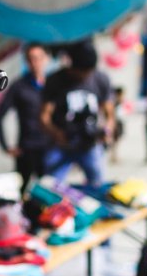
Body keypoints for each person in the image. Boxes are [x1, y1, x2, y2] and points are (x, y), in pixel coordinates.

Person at [40, 39, 114, 186]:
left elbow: (109, 114)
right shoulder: (55, 80)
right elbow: (44, 116)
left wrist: (107, 131)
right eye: (82, 71)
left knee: (97, 185)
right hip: (62, 145)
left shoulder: (100, 79)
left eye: (89, 71)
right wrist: (56, 133)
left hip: (90, 145)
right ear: (71, 67)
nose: (85, 75)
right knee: (50, 186)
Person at [0, 42, 50, 194]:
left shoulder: (53, 84)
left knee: (49, 189)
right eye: (31, 59)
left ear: (46, 59)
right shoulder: (19, 86)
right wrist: (5, 146)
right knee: (21, 190)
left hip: (49, 147)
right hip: (27, 147)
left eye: (39, 58)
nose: (35, 63)